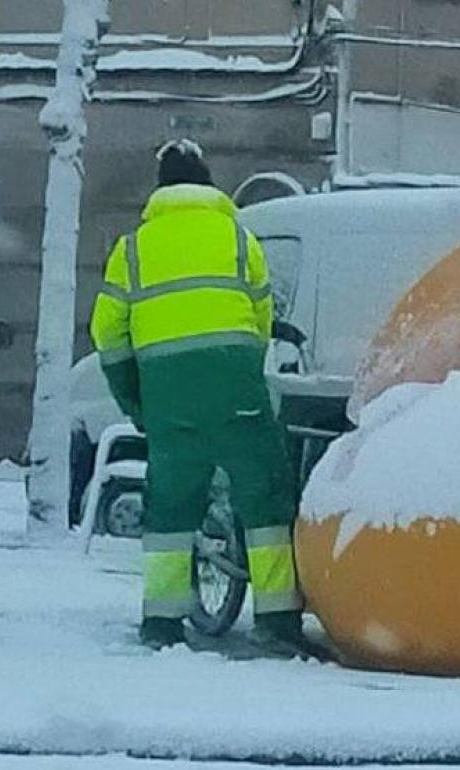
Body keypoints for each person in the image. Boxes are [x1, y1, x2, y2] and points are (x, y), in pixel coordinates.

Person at [90, 139, 318, 657]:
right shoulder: (240, 239)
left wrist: (136, 402)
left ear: (160, 189)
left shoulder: (133, 249)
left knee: (170, 506)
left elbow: (108, 334)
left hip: (169, 396)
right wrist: (238, 372)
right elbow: (260, 319)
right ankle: (279, 618)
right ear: (209, 184)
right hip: (236, 386)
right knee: (264, 496)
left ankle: (163, 622)